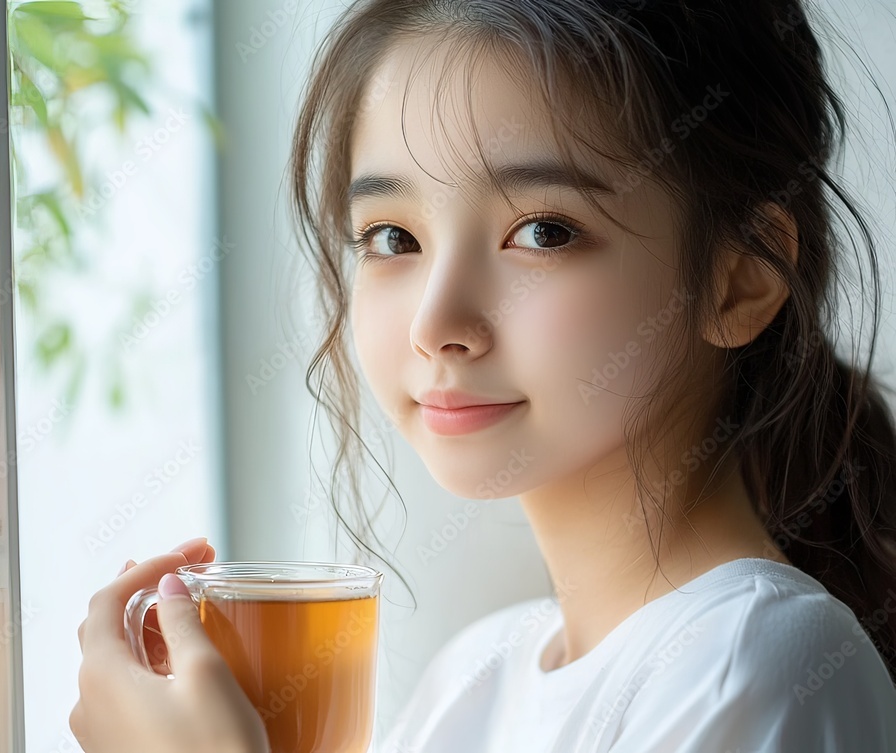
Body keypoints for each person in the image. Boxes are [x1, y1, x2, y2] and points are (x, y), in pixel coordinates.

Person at [70, 1, 896, 751]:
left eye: (541, 231)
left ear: (741, 277)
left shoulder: (759, 664)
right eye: (392, 237)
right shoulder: (474, 678)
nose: (437, 324)